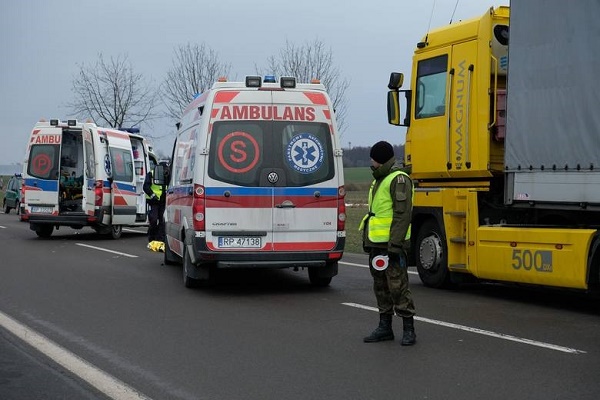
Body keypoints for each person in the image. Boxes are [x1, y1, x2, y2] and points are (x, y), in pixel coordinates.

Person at [359, 140, 417, 346]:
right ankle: (385, 327)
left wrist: (395, 244)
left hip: (392, 245)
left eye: (373, 158)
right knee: (381, 286)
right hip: (377, 244)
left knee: (398, 286)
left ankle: (408, 329)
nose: (371, 162)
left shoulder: (398, 179)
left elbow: (402, 216)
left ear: (381, 159)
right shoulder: (380, 179)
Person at [143, 163, 168, 243]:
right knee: (153, 219)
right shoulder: (151, 174)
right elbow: (146, 186)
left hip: (163, 201)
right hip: (153, 201)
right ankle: (152, 237)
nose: (165, 171)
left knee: (162, 221)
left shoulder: (168, 175)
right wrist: (152, 195)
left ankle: (160, 239)